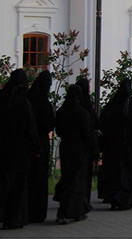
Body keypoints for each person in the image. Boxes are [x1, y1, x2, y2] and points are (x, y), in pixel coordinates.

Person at [0, 69, 40, 229]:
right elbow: (30, 130)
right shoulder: (23, 104)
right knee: (17, 188)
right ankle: (12, 219)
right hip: (19, 155)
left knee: (0, 186)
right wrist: (36, 149)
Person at [99, 79, 132, 210]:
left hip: (113, 148)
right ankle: (126, 200)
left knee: (115, 174)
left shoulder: (111, 109)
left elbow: (102, 125)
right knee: (130, 175)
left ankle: (114, 199)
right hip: (131, 149)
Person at [53, 84, 98, 224]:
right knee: (77, 181)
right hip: (80, 149)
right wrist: (95, 152)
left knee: (67, 177)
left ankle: (63, 210)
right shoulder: (82, 113)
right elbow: (88, 134)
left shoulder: (61, 112)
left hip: (66, 148)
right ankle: (75, 211)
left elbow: (58, 130)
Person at [26, 70, 55, 223]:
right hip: (41, 143)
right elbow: (49, 124)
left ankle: (25, 209)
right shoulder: (44, 103)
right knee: (39, 179)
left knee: (28, 178)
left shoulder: (27, 99)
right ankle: (36, 212)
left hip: (26, 143)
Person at [75, 78, 100, 207]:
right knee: (83, 176)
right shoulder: (86, 108)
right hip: (83, 147)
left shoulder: (69, 106)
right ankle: (83, 201)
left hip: (69, 147)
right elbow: (94, 125)